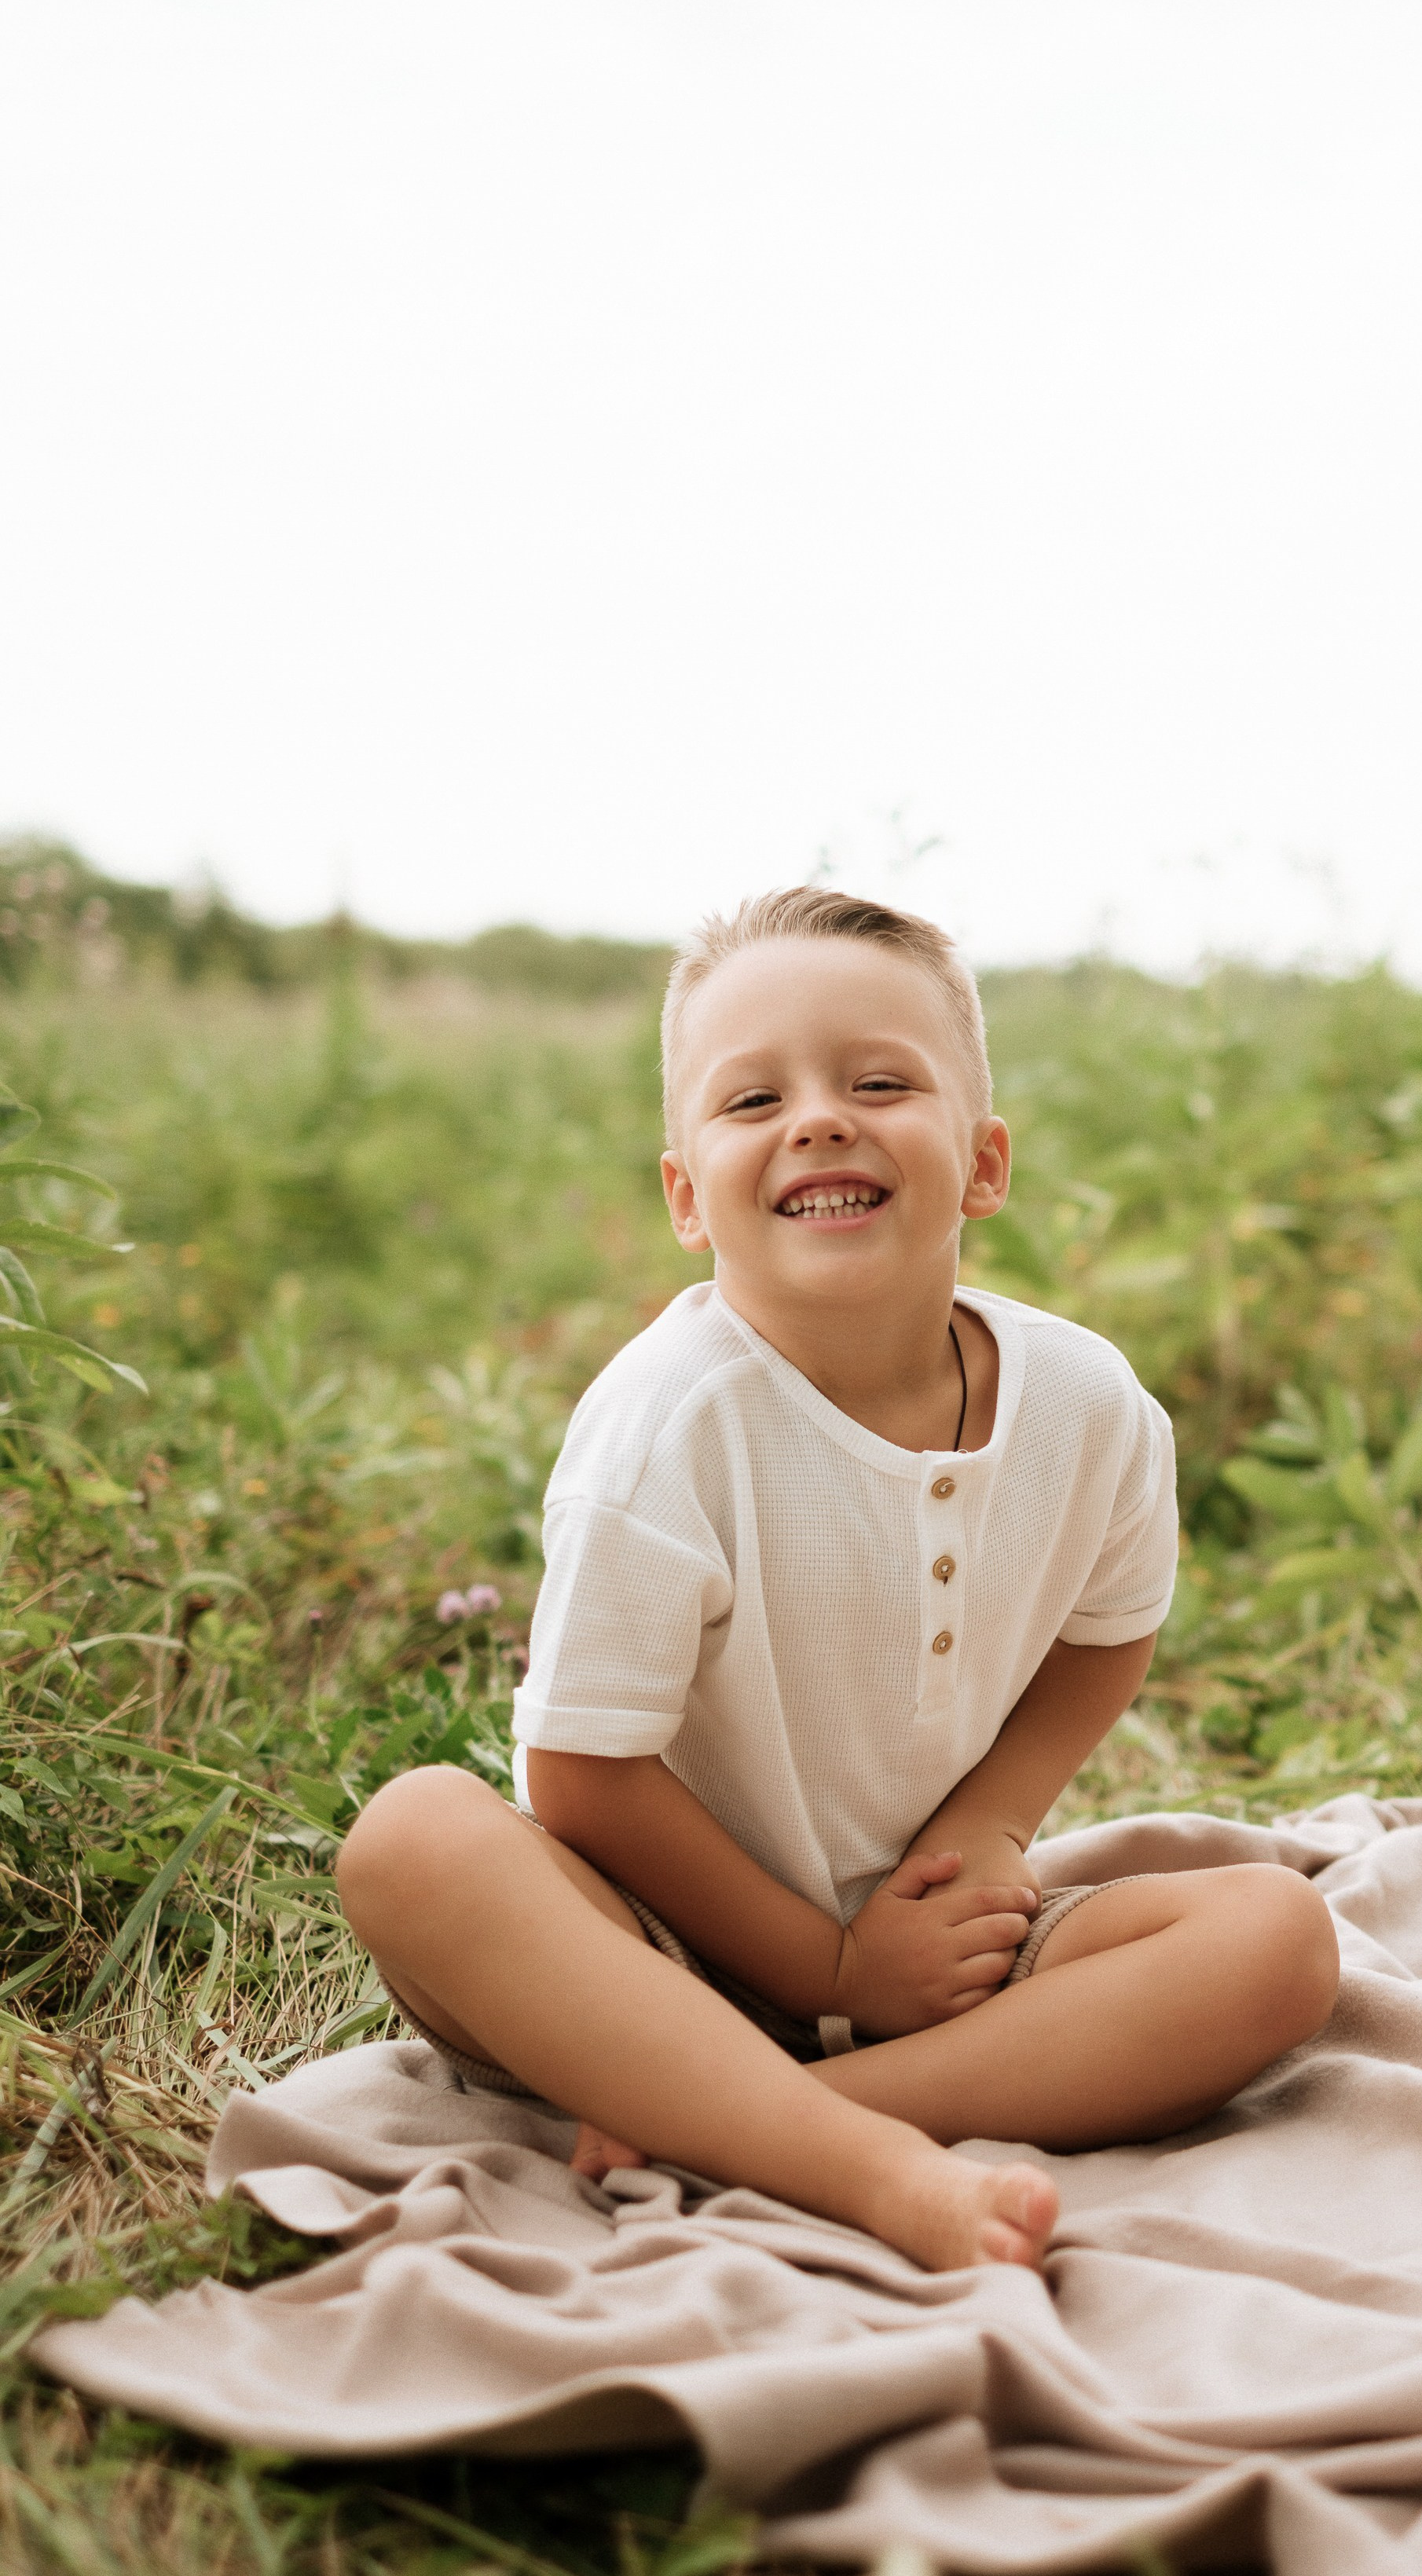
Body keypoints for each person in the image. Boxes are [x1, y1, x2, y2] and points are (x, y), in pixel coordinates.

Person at [338, 889, 1339, 2274]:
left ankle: (787, 2119)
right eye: (753, 1102)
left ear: (984, 1164)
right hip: (646, 1955)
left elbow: (1111, 1636)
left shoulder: (1088, 1406)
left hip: (936, 1962)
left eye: (879, 1081)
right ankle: (871, 2172)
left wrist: (990, 1835)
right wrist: (824, 1973)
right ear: (686, 1196)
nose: (819, 1119)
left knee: (1276, 1938)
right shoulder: (670, 1428)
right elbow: (581, 1774)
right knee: (415, 1840)